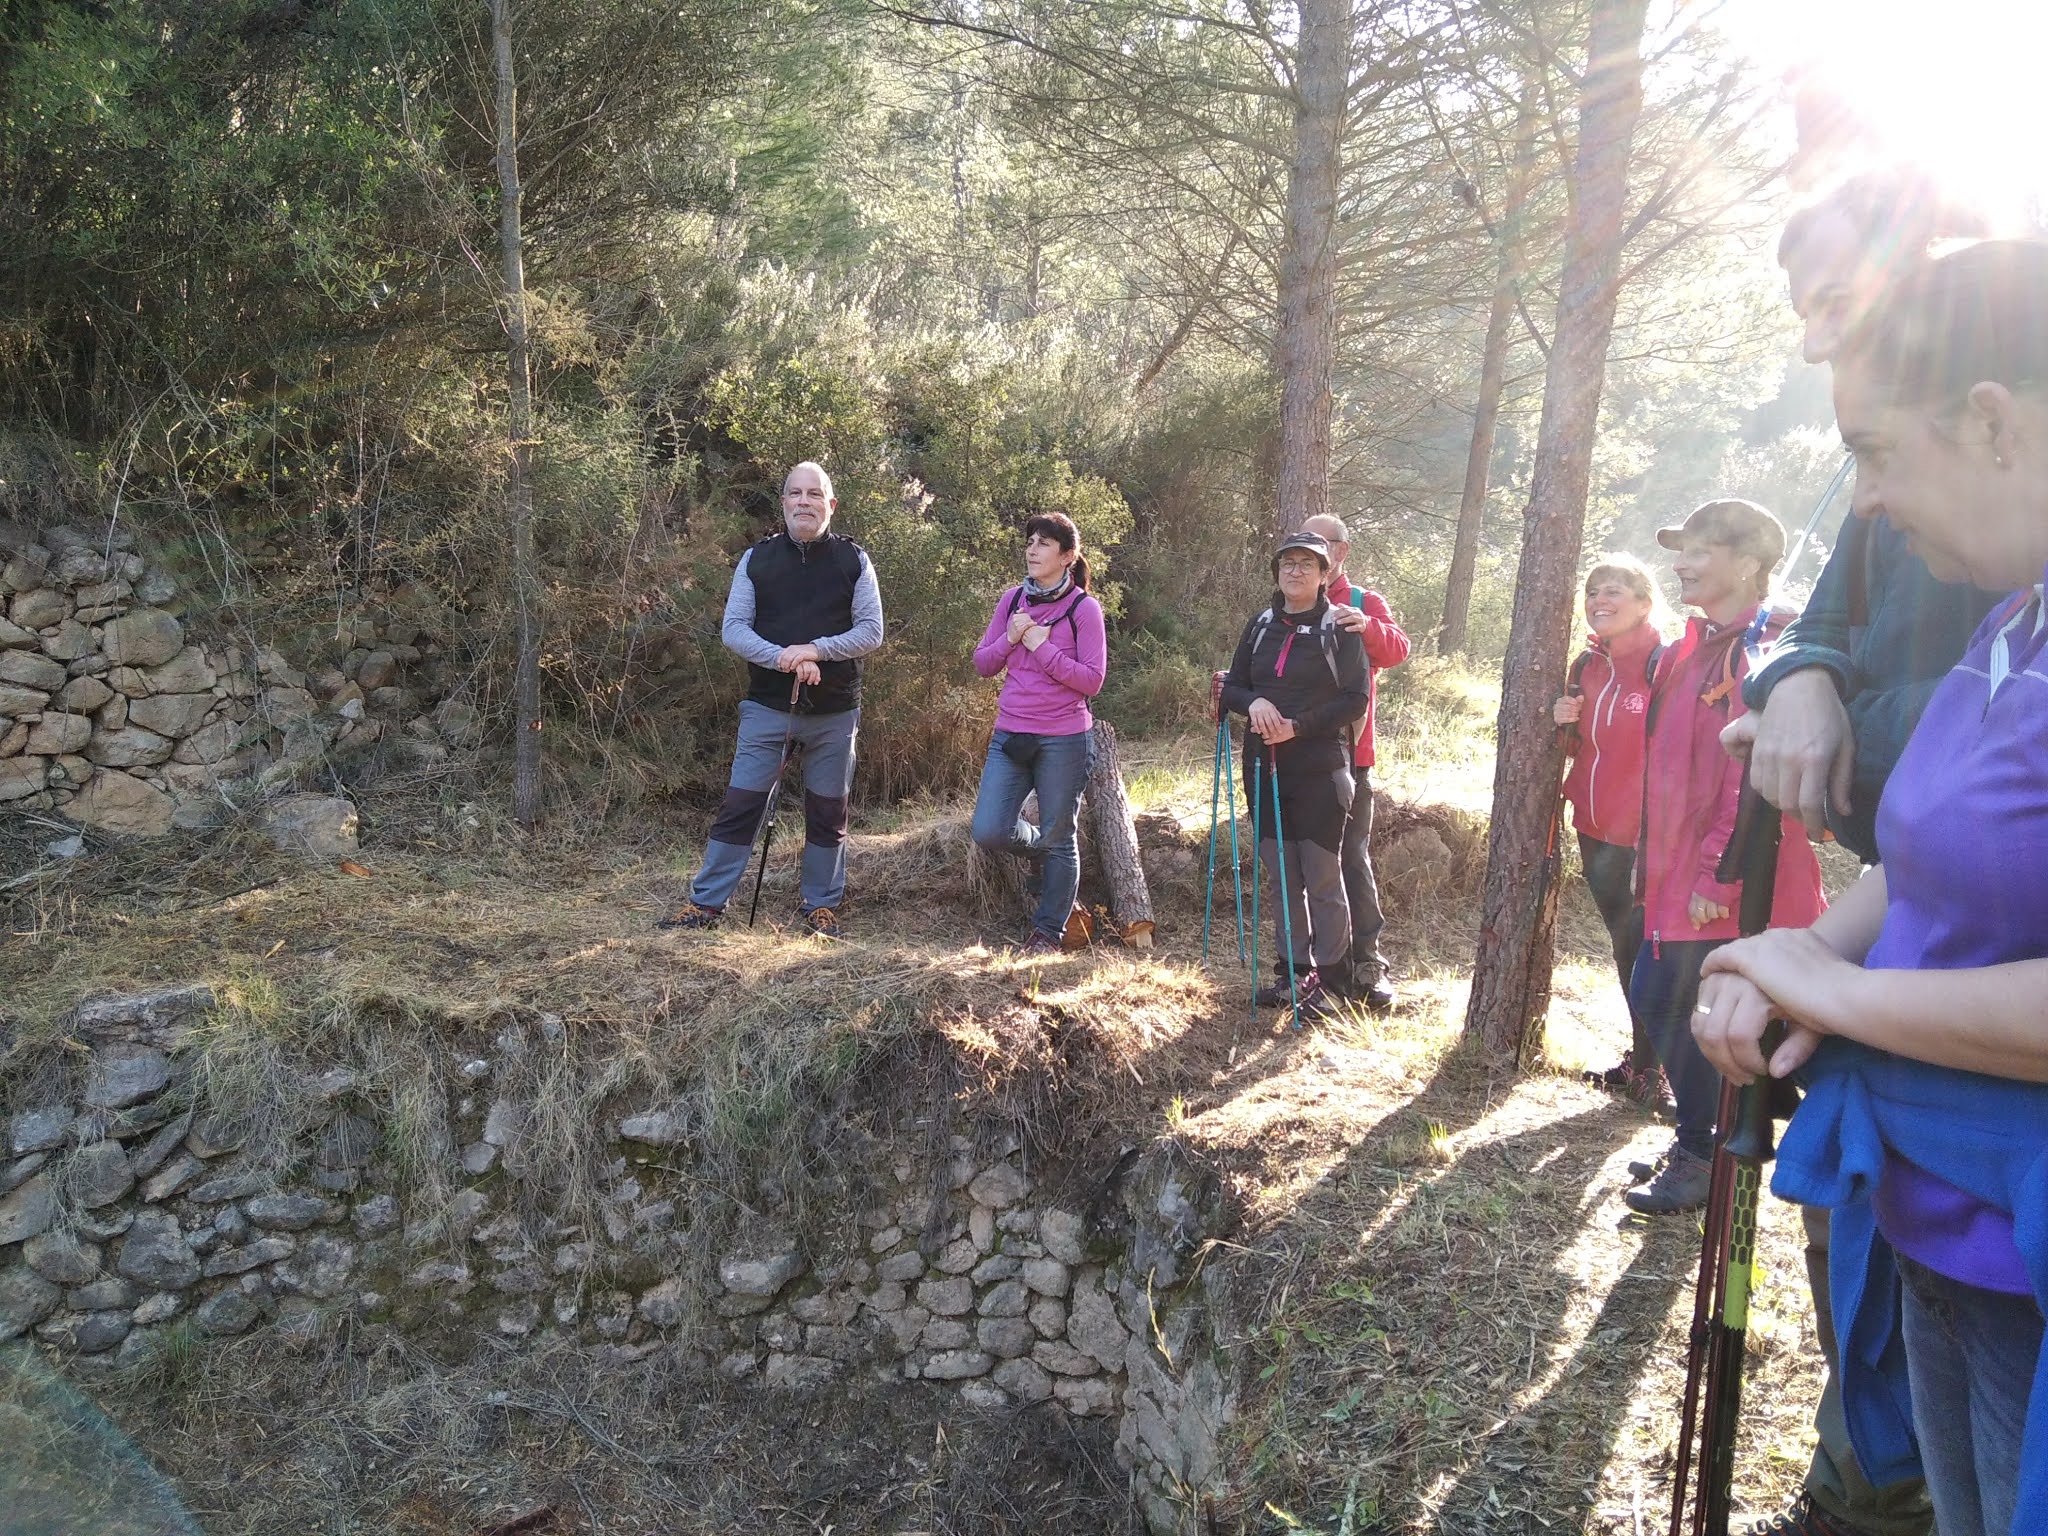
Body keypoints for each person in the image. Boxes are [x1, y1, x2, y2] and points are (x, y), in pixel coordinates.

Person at [1694, 240, 2048, 1536]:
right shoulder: (2010, 622)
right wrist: (1795, 958)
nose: (1868, 502)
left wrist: (1831, 993)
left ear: (1993, 425)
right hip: (1948, 1235)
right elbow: (1923, 861)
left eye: (1877, 453)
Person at [1624, 500, 1824, 1216]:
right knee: (1672, 1000)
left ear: (1747, 563)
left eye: (1699, 550)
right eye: (1681, 551)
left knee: (1681, 1001)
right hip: (1680, 870)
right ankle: (1706, 1140)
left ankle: (1710, 1150)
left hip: (1733, 879)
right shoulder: (1695, 646)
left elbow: (1751, 773)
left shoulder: (1764, 648)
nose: (1681, 564)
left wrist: (1720, 871)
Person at [660, 461, 884, 937]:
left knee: (828, 812)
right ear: (783, 502)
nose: (805, 501)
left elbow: (871, 631)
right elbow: (734, 630)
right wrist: (784, 658)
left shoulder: (854, 560)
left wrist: (816, 650)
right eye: (795, 493)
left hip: (835, 712)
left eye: (814, 494)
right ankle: (705, 905)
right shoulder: (756, 559)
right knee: (741, 806)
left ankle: (820, 905)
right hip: (766, 708)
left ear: (831, 504)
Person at [1217, 531, 1369, 1019]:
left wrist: (1297, 727)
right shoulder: (1260, 625)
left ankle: (1334, 982)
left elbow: (1356, 700)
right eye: (1288, 563)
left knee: (1322, 876)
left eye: (1307, 563)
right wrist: (1254, 702)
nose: (1295, 571)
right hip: (1263, 766)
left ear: (1326, 574)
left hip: (1321, 769)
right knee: (1281, 875)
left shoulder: (1340, 628)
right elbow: (1233, 687)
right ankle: (1293, 974)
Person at [1551, 555, 1668, 1102]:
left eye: (1614, 590)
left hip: (1647, 835)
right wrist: (1562, 721)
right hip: (1594, 828)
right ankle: (1644, 1061)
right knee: (1625, 945)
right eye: (1593, 590)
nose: (1599, 599)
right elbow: (1577, 748)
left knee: (1649, 949)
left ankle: (1658, 1068)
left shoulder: (1665, 664)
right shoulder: (1587, 665)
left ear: (1644, 603)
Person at [969, 513, 1108, 956]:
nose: (1032, 549)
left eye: (1044, 543)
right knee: (989, 829)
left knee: (1060, 837)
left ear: (1067, 556)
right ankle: (1038, 848)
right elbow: (983, 663)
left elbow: (1092, 681)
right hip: (1011, 734)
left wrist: (1041, 648)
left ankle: (1047, 933)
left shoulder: (1083, 609)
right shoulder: (1012, 600)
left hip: (1064, 739)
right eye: (1030, 541)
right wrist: (1010, 638)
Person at [1301, 513, 1411, 1012]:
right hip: (1296, 752)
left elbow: (1397, 650)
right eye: (1303, 541)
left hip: (1350, 755)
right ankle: (1313, 966)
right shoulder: (1292, 601)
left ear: (1341, 551)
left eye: (1321, 542)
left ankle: (1368, 964)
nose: (1310, 550)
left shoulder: (1364, 602)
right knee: (1303, 862)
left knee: (1350, 857)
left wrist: (1366, 627)